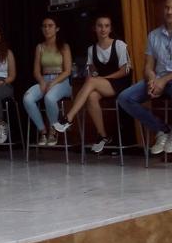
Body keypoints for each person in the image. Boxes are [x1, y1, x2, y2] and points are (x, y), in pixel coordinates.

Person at [118, 0, 172, 155]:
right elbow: (148, 66)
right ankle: (162, 130)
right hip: (160, 80)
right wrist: (152, 79)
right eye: (166, 8)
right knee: (124, 98)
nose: (169, 11)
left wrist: (163, 80)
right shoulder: (153, 35)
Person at [53, 15, 132, 153]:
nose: (103, 29)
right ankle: (103, 135)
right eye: (100, 26)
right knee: (91, 96)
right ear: (94, 28)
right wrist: (94, 75)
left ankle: (68, 118)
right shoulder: (92, 49)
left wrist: (103, 78)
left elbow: (125, 70)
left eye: (106, 26)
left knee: (92, 82)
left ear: (110, 28)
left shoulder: (119, 45)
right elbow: (91, 71)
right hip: (101, 84)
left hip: (119, 84)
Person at [22, 16, 72, 146]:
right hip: (44, 79)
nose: (47, 28)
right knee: (27, 98)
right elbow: (36, 71)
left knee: (49, 98)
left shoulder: (64, 46)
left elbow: (67, 71)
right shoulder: (40, 47)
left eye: (50, 26)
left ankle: (53, 129)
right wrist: (42, 82)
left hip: (61, 81)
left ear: (57, 28)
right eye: (44, 26)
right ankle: (42, 131)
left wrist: (53, 83)